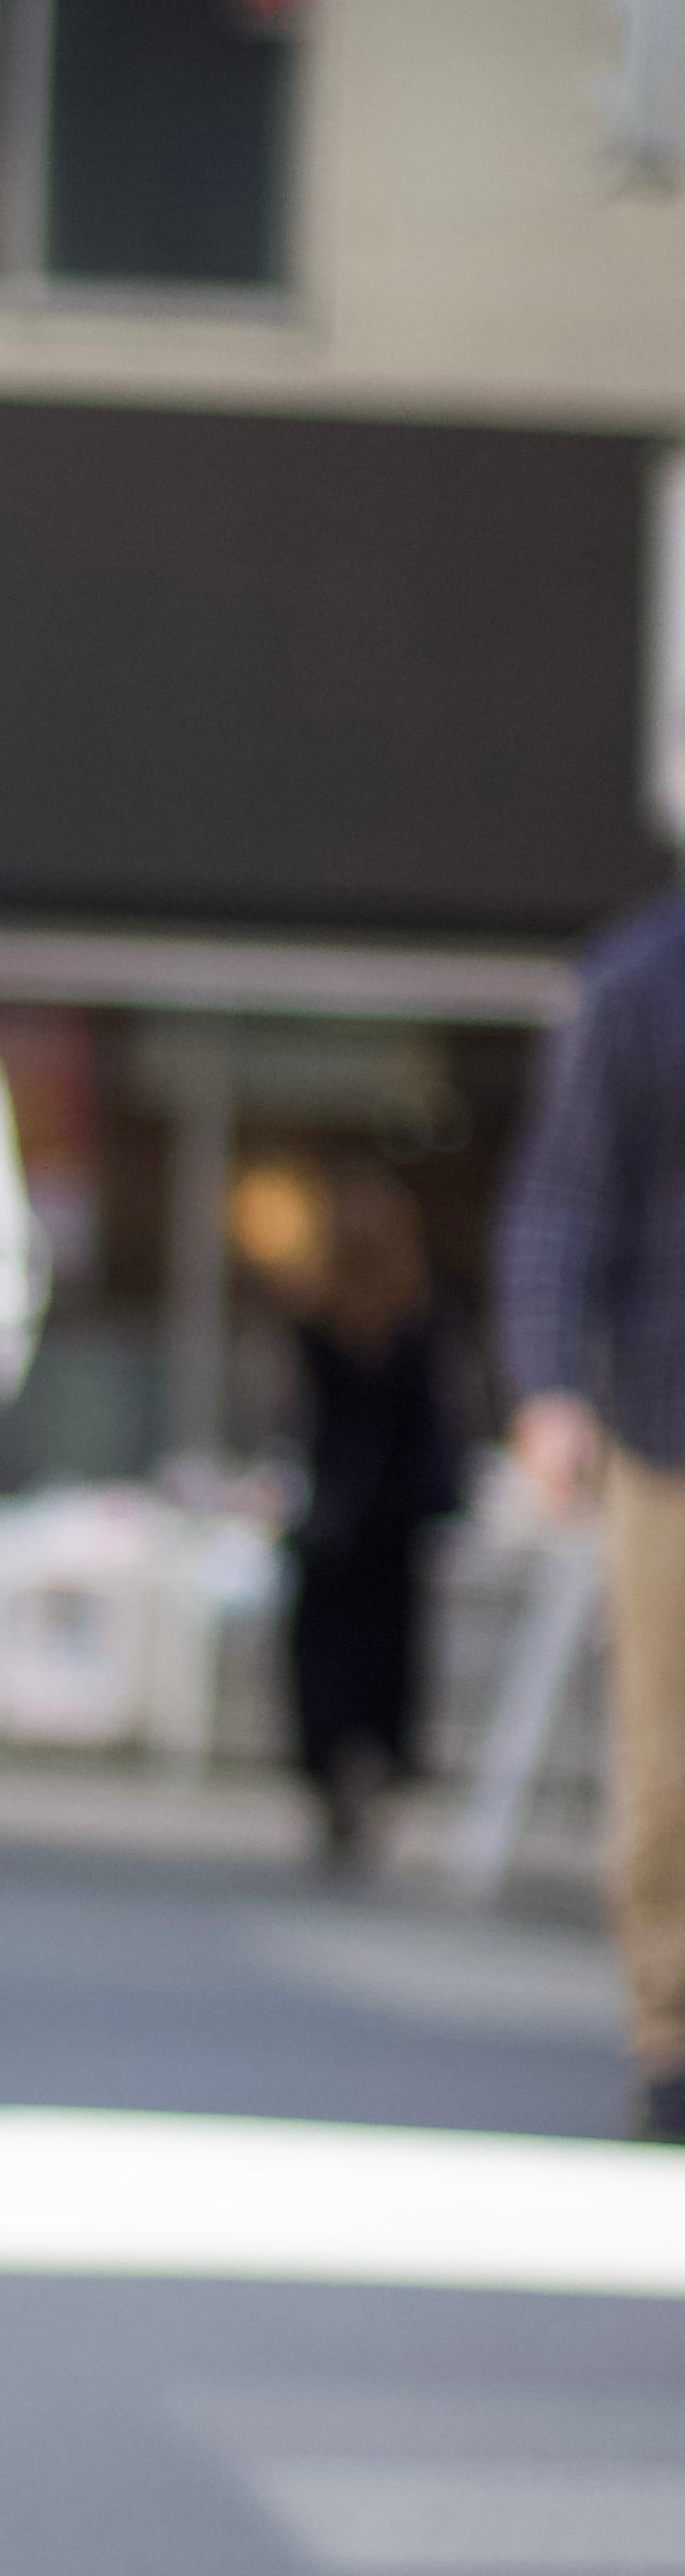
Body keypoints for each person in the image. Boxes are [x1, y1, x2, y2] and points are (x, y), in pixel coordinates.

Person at [498, 892, 685, 2141]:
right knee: (663, 1752)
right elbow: (561, 1198)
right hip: (666, 1430)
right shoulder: (636, 984)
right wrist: (550, 1388)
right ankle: (668, 2031)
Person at [277, 1163, 457, 1873]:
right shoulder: (415, 1327)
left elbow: (295, 1424)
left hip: (331, 1527)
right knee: (382, 1666)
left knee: (327, 1668)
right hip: (389, 1530)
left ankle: (336, 1782)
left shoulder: (314, 1324)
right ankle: (369, 1776)